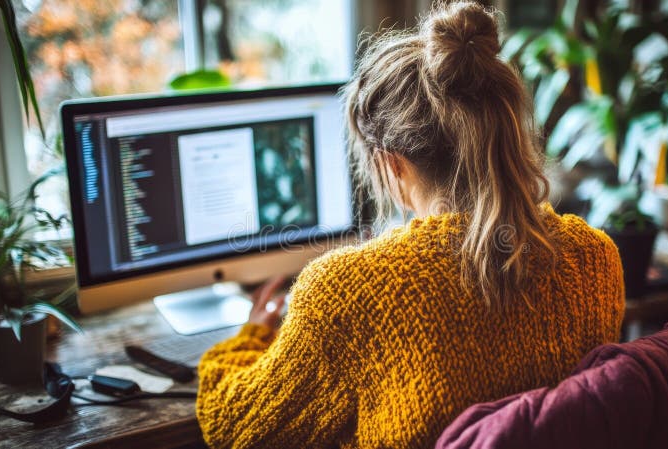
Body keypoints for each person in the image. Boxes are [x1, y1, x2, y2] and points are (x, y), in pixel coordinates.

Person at [196, 2, 625, 448]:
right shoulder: (595, 257)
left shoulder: (346, 291)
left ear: (390, 162)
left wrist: (250, 335)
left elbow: (236, 429)